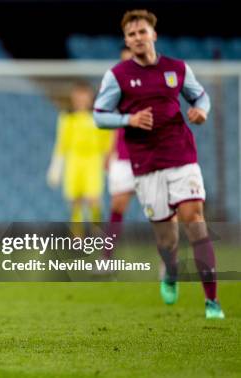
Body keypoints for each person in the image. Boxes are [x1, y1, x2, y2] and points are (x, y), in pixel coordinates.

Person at [93, 9, 225, 319]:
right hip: (145, 163)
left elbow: (200, 98)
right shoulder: (117, 75)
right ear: (126, 40)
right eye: (131, 34)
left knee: (195, 220)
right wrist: (129, 119)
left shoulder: (177, 69)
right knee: (168, 238)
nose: (138, 38)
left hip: (181, 155)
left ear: (154, 34)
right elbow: (99, 115)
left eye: (142, 32)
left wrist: (201, 111)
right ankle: (171, 271)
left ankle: (212, 302)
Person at [47, 82, 113, 233]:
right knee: (75, 200)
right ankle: (77, 235)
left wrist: (109, 161)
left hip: (93, 161)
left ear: (91, 98)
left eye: (84, 97)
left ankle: (96, 230)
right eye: (78, 97)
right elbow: (61, 144)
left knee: (93, 198)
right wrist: (56, 166)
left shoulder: (98, 118)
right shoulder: (67, 118)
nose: (81, 101)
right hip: (73, 161)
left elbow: (108, 142)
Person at [102, 46, 135, 261]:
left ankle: (168, 263)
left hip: (149, 157)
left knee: (163, 211)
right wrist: (110, 151)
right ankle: (107, 259)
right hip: (122, 157)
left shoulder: (156, 88)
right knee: (117, 205)